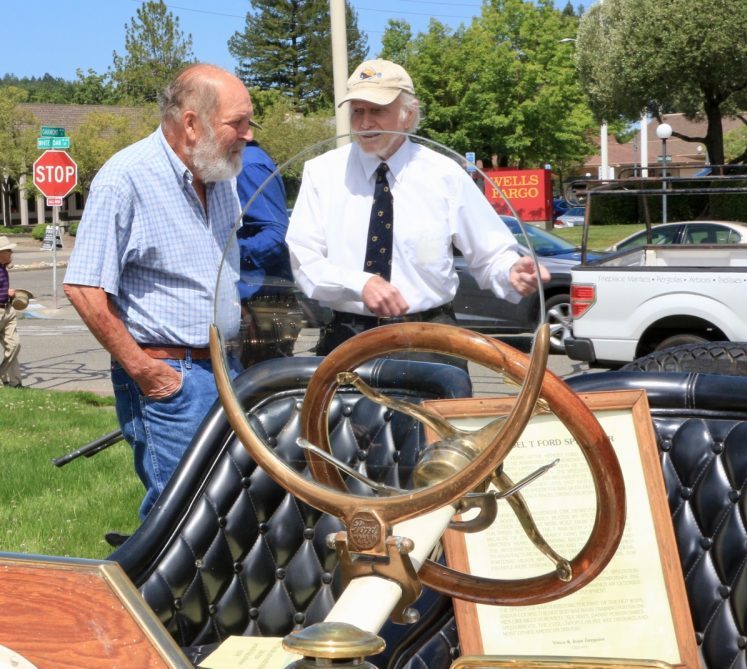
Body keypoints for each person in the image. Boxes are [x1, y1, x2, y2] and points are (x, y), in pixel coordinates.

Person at [64, 63, 254, 522]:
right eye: (238, 123)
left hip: (224, 368)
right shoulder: (125, 177)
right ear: (192, 123)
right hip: (172, 377)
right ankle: (153, 595)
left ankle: (208, 594)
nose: (248, 135)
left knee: (230, 505)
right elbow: (83, 288)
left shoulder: (220, 177)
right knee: (181, 520)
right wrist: (147, 373)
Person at [286, 58, 547, 358]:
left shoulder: (444, 174)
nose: (365, 123)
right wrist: (361, 284)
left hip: (431, 339)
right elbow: (304, 261)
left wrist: (512, 272)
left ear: (408, 115)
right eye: (357, 111)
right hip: (347, 340)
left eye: (378, 110)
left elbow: (491, 255)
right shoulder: (322, 173)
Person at [236, 139, 301, 365]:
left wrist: (225, 255)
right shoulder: (239, 162)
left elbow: (276, 234)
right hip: (254, 304)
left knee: (256, 395)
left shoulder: (248, 164)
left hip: (262, 306)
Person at [0, 236, 22, 388]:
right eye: (8, 250)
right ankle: (14, 383)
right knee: (12, 347)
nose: (11, 252)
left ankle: (11, 380)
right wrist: (7, 292)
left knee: (14, 345)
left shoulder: (3, 267)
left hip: (8, 310)